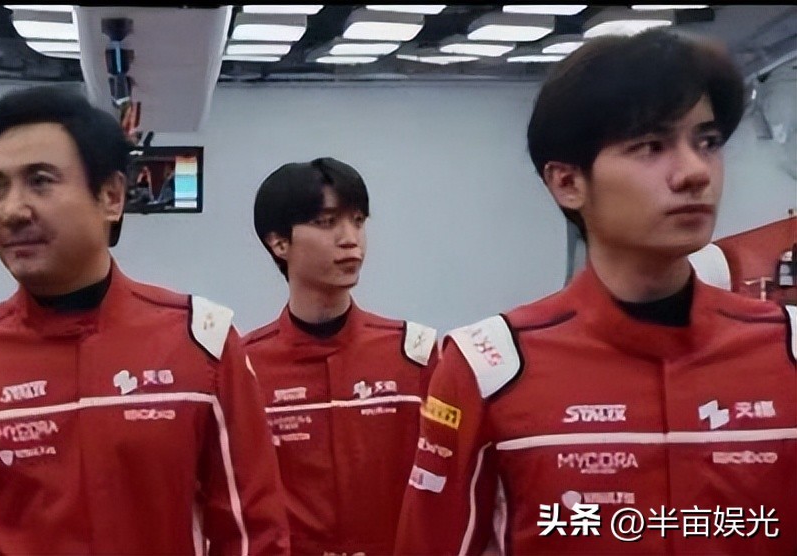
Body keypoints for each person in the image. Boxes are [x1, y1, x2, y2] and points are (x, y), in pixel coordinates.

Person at [394, 28, 795, 555]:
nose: (696, 172)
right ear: (567, 182)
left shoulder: (787, 350)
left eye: (707, 142)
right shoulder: (491, 369)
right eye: (651, 147)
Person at [0, 84, 290, 555]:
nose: (12, 210)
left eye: (40, 181)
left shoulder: (202, 345)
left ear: (111, 197)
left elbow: (252, 536)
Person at [243, 157, 439, 556]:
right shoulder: (244, 367)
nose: (351, 239)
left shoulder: (415, 355)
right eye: (327, 222)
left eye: (358, 221)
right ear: (279, 242)